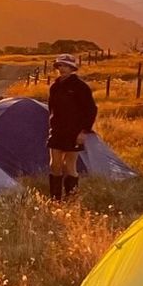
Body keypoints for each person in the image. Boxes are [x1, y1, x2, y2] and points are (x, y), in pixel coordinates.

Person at [45, 53, 98, 200]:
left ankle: (71, 198)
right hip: (57, 131)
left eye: (66, 66)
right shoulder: (55, 87)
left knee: (69, 166)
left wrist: (84, 131)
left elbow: (91, 109)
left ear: (72, 68)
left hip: (74, 132)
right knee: (54, 165)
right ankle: (55, 199)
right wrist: (52, 124)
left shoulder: (80, 87)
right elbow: (51, 108)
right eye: (60, 65)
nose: (62, 69)